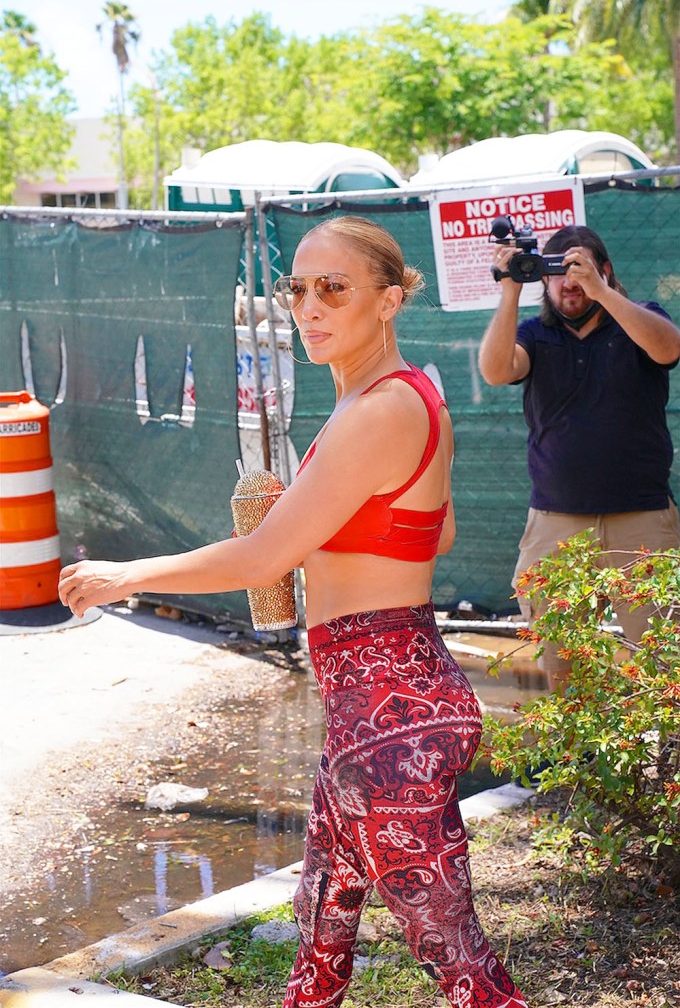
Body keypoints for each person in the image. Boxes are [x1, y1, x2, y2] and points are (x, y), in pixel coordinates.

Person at [59, 215, 528, 1008]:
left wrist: (122, 574)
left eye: (333, 288)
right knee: (320, 933)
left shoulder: (375, 412)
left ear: (388, 299)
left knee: (464, 968)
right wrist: (327, 521)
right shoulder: (411, 396)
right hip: (385, 706)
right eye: (298, 288)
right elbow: (433, 528)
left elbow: (262, 559)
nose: (309, 306)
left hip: (389, 724)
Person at [479, 224, 680, 693]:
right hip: (557, 525)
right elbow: (495, 370)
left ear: (604, 270)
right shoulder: (535, 334)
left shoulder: (638, 319)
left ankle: (666, 762)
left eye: (577, 269)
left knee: (664, 662)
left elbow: (668, 348)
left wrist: (602, 293)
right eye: (555, 272)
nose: (568, 283)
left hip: (642, 518)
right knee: (564, 664)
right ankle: (580, 763)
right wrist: (509, 290)